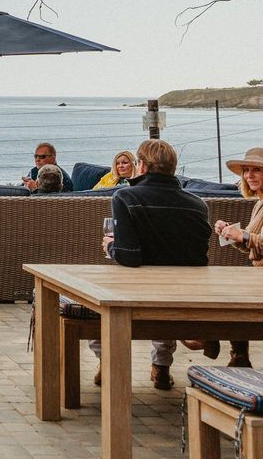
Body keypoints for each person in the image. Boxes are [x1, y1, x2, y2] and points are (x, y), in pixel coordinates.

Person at [90, 139, 212, 390]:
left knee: (94, 301)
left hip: (138, 293)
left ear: (142, 166)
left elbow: (129, 256)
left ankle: (106, 362)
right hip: (186, 295)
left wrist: (110, 246)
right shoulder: (197, 204)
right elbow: (198, 254)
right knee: (167, 287)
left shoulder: (125, 196)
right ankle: (162, 366)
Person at [197, 147, 263, 368]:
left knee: (224, 290)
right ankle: (236, 354)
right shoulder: (259, 204)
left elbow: (256, 242)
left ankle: (207, 336)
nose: (249, 176)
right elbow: (254, 247)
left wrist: (243, 235)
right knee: (221, 286)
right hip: (257, 274)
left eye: (256, 170)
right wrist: (231, 234)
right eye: (246, 170)